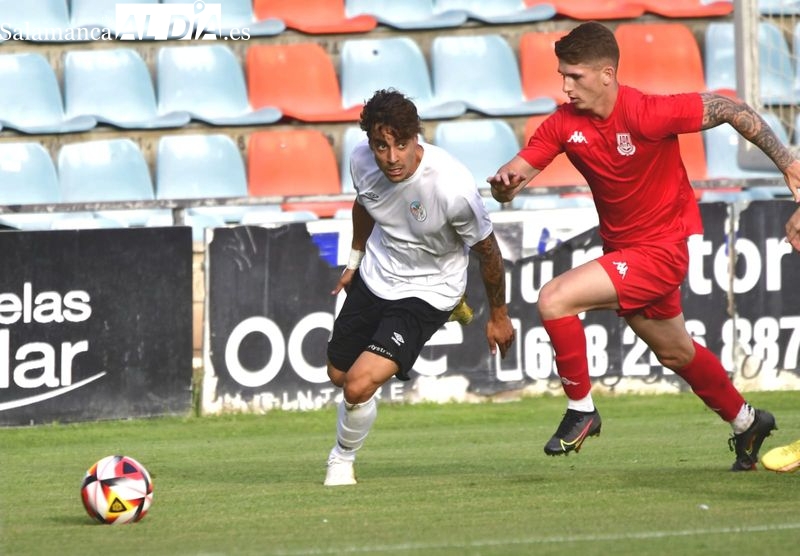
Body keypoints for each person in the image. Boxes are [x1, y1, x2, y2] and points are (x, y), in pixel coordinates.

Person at [488, 21, 800, 471]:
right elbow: (515, 174)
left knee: (554, 300)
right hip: (625, 253)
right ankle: (747, 421)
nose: (565, 85)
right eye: (563, 75)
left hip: (662, 251)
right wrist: (504, 186)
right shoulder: (562, 124)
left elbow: (731, 109)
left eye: (574, 76)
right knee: (676, 353)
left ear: (607, 74)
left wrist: (788, 163)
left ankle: (581, 410)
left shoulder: (648, 112)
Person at [324, 89, 516, 486]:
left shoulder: (453, 189)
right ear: (369, 142)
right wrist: (354, 262)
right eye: (381, 145)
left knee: (358, 385)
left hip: (430, 290)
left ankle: (341, 459)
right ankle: (362, 398)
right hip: (377, 274)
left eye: (401, 144)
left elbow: (488, 251)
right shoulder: (361, 159)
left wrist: (499, 314)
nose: (391, 157)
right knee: (339, 375)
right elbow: (365, 204)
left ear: (417, 138)